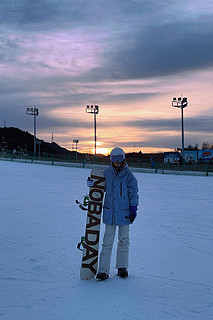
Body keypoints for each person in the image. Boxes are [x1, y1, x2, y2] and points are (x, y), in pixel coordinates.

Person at [87, 147, 139, 280]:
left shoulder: (128, 175)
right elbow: (100, 188)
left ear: (123, 159)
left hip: (125, 213)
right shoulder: (106, 174)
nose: (117, 162)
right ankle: (103, 270)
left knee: (124, 240)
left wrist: (134, 206)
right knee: (107, 241)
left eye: (119, 159)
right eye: (114, 159)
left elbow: (133, 192)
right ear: (110, 160)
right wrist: (92, 184)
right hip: (110, 213)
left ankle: (122, 267)